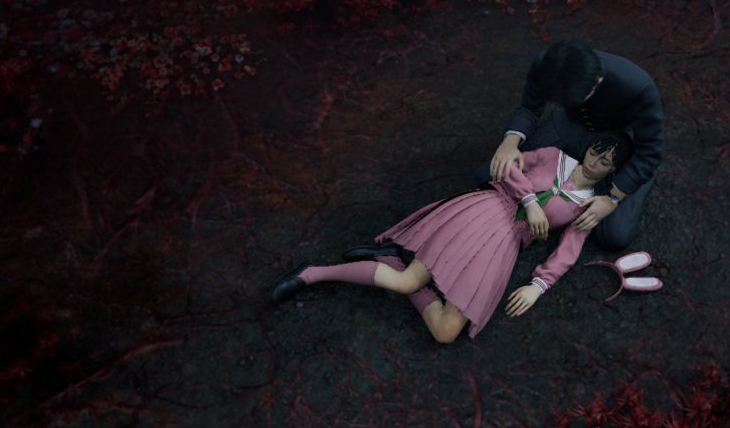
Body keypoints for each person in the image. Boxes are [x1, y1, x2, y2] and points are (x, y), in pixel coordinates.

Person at [272, 131, 634, 344]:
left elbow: (569, 250)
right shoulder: (554, 157)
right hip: (485, 212)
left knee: (445, 332)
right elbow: (507, 164)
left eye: (605, 162)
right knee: (408, 282)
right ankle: (312, 274)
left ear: (613, 171)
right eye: (595, 152)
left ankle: (390, 259)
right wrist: (529, 200)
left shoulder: (590, 205)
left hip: (505, 245)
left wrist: (538, 286)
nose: (594, 162)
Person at [477, 40, 664, 251]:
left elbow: (650, 152)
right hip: (571, 125)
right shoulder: (547, 64)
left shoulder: (639, 87)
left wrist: (613, 198)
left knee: (614, 236)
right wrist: (509, 143)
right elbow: (529, 108)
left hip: (618, 142)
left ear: (597, 81)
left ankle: (635, 179)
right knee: (488, 173)